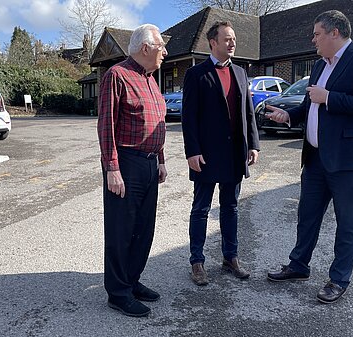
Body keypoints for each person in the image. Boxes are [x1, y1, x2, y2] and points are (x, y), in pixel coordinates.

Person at [265, 10, 353, 304]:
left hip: (351, 160)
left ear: (335, 33)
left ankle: (338, 279)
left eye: (317, 33)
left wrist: (329, 97)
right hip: (317, 157)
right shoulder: (320, 66)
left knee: (348, 223)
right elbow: (311, 104)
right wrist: (289, 115)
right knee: (307, 216)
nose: (313, 39)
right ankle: (298, 266)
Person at [97, 23, 168, 317]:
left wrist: (161, 160)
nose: (165, 51)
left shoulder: (151, 79)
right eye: (161, 46)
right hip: (126, 162)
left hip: (150, 163)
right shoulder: (117, 75)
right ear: (145, 48)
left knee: (143, 229)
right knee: (121, 230)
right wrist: (112, 169)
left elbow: (157, 123)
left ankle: (132, 280)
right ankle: (118, 292)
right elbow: (106, 126)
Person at [182, 21, 260, 286]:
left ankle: (231, 257)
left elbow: (248, 112)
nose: (232, 43)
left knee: (230, 207)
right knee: (201, 209)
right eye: (227, 39)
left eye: (234, 38)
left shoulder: (240, 72)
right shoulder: (196, 74)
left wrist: (253, 144)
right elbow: (188, 117)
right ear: (212, 42)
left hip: (233, 155)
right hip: (205, 155)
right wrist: (192, 151)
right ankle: (197, 262)